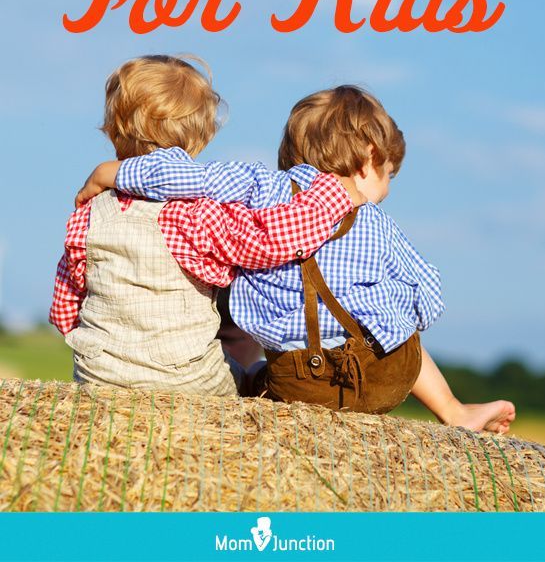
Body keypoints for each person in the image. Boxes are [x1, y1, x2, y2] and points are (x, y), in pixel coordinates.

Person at [78, 83, 516, 434]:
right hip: (383, 376)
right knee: (401, 326)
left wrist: (110, 172)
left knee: (252, 374)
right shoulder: (377, 223)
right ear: (369, 161)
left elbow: (183, 175)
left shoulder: (258, 187)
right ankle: (454, 411)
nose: (387, 188)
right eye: (389, 176)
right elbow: (429, 295)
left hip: (298, 385)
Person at [50, 56, 366, 394]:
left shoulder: (89, 213)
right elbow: (268, 240)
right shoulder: (196, 214)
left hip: (100, 374)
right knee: (252, 377)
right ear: (199, 140)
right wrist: (333, 197)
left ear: (112, 132)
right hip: (186, 378)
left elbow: (64, 305)